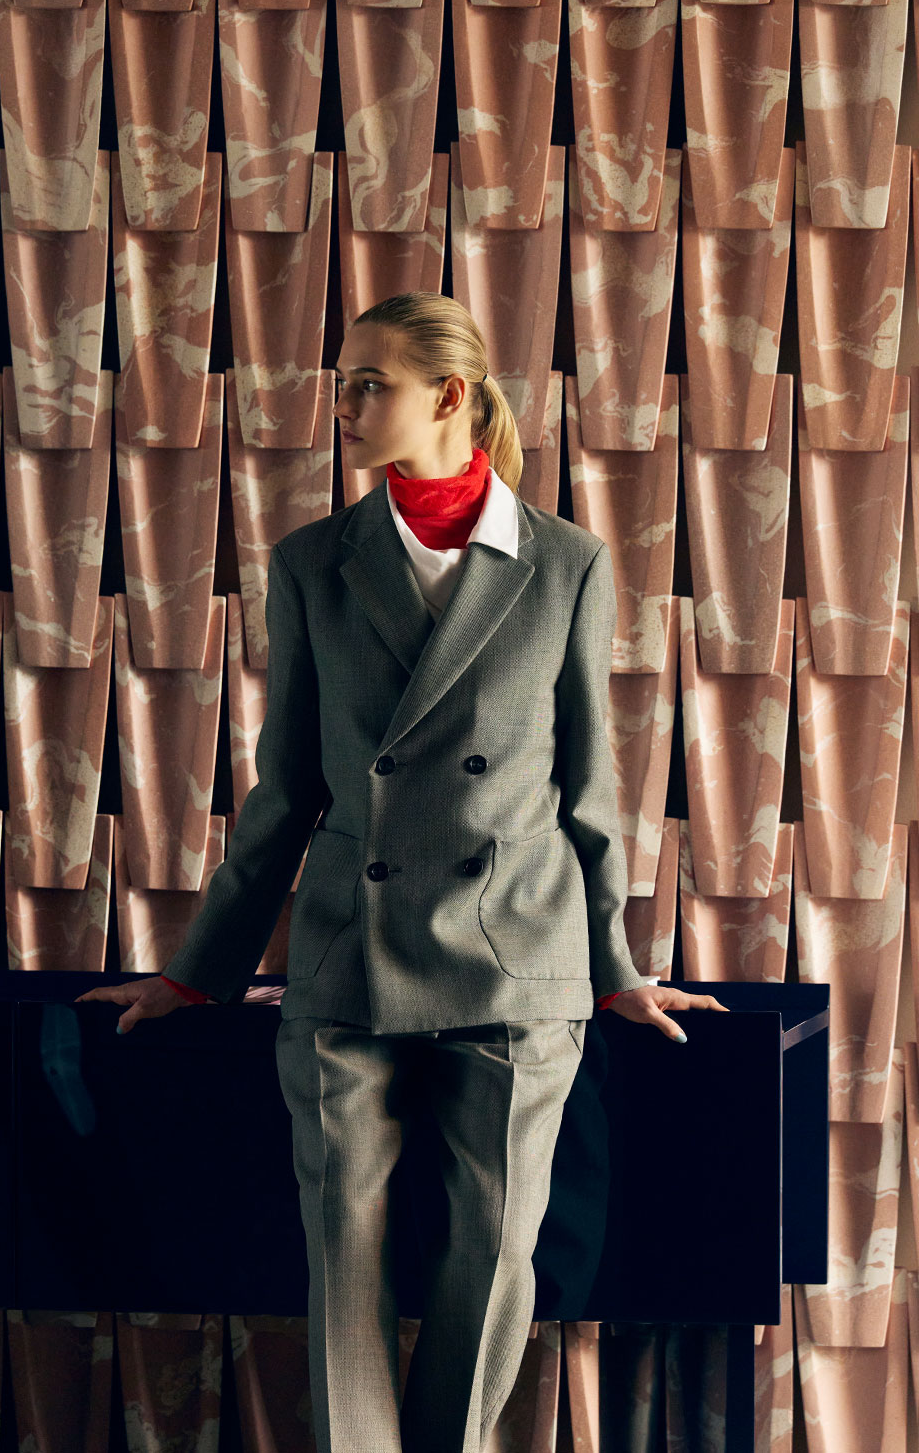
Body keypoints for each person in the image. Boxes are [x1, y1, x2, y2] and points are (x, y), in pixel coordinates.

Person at [78, 292, 727, 1453]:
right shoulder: (313, 561)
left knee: (497, 1249)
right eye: (345, 380)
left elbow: (589, 792)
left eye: (368, 382)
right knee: (343, 1247)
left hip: (516, 952)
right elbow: (285, 789)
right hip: (348, 955)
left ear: (449, 395)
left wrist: (615, 969)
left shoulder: (565, 563)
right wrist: (194, 972)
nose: (343, 402)